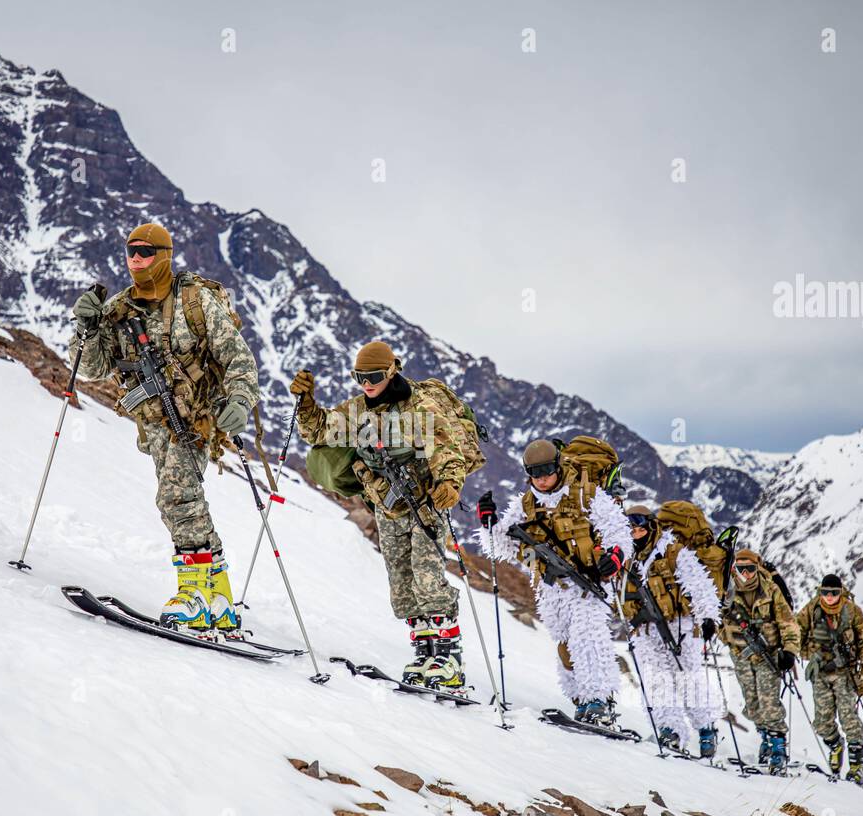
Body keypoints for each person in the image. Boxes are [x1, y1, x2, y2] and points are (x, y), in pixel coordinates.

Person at [69, 223, 259, 634]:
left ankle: (192, 595)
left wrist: (241, 400)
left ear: (164, 255)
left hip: (196, 417)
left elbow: (238, 358)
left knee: (176, 497)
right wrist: (86, 328)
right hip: (152, 422)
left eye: (145, 252)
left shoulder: (195, 301)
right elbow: (91, 368)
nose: (135, 259)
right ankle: (221, 596)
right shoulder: (119, 309)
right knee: (185, 501)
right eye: (130, 251)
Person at [291, 343, 474, 690]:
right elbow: (319, 432)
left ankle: (449, 659)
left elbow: (447, 449)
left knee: (427, 576)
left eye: (373, 376)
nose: (367, 384)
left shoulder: (419, 406)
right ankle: (425, 654)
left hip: (424, 504)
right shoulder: (358, 411)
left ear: (392, 371)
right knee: (402, 584)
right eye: (359, 377)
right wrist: (306, 405)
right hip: (387, 507)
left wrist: (450, 484)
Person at [477, 438, 631, 724]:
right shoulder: (526, 504)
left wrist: (616, 555)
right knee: (565, 646)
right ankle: (581, 700)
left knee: (589, 638)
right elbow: (505, 547)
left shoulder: (586, 494)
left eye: (547, 470)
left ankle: (601, 700)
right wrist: (489, 524)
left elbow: (617, 530)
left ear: (559, 466)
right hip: (550, 586)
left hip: (589, 582)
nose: (542, 479)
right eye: (535, 473)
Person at [618, 504, 724, 757]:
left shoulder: (672, 552)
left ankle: (706, 727)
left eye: (639, 527)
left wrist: (708, 616)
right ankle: (670, 729)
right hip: (643, 627)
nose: (634, 532)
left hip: (679, 622)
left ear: (651, 526)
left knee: (687, 676)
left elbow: (699, 584)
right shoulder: (624, 556)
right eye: (629, 528)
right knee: (655, 678)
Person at [718, 549, 800, 773]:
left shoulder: (770, 590)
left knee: (769, 702)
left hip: (768, 655)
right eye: (740, 568)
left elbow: (788, 622)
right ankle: (765, 737)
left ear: (758, 568)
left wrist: (789, 650)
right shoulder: (727, 590)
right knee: (752, 704)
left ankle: (778, 747)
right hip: (740, 655)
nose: (745, 573)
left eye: (750, 568)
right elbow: (717, 615)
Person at [795, 573, 863, 782]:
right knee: (822, 721)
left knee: (849, 717)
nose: (829, 597)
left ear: (840, 593)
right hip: (820, 672)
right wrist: (806, 655)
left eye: (834, 593)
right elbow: (796, 633)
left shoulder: (851, 611)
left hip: (844, 672)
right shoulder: (812, 609)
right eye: (825, 592)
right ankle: (835, 745)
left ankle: (856, 765)